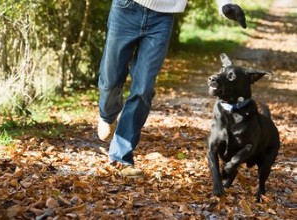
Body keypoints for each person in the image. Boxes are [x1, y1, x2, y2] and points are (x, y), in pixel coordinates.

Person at [98, 0, 246, 177]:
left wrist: (225, 4)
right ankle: (107, 114)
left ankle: (121, 157)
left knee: (143, 88)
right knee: (110, 79)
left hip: (162, 18)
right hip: (126, 8)